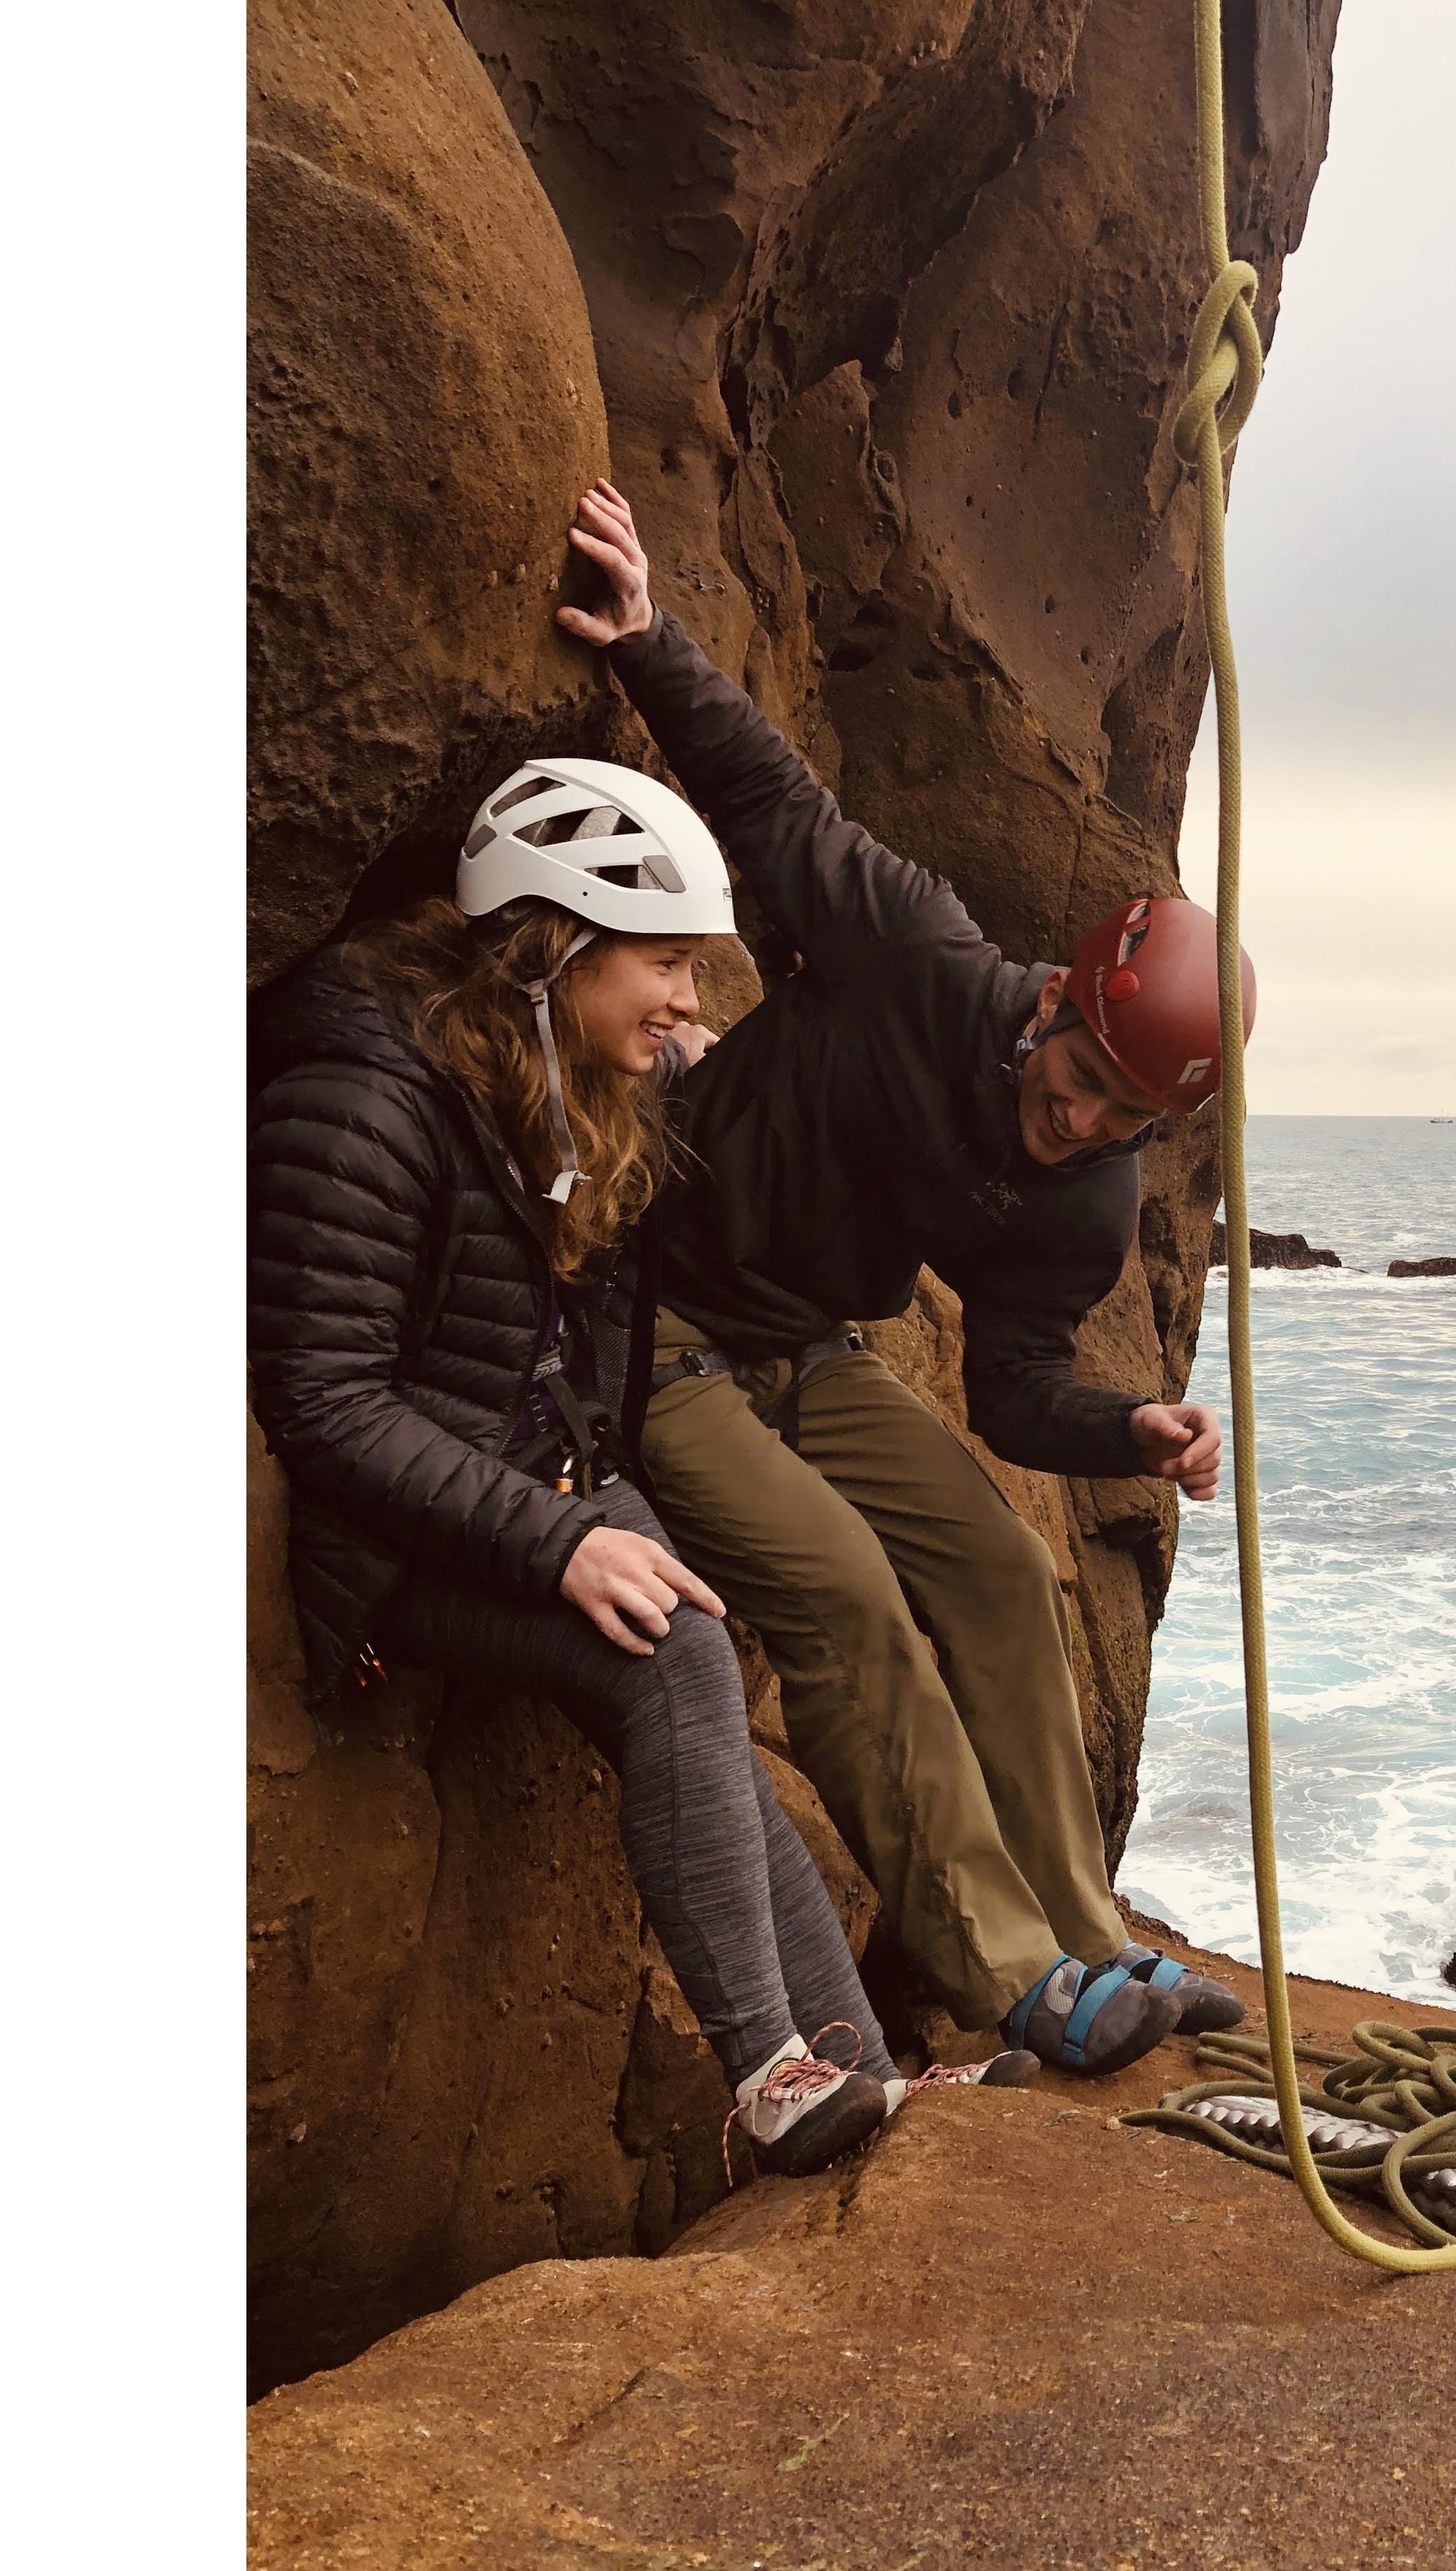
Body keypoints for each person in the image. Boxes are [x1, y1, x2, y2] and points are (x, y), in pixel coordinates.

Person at [551, 479, 1250, 2078]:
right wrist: (650, 639)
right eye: (1071, 1071)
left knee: (1002, 1568)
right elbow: (774, 804)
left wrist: (1124, 1426)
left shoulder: (1088, 1195)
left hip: (803, 1348)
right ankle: (1015, 1976)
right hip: (658, 1326)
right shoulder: (917, 955)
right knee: (850, 1598)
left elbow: (1009, 1385)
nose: (1068, 1116)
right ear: (1057, 995)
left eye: (1114, 1114)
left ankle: (1089, 1929)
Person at [248, 757, 1030, 2178]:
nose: (689, 1001)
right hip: (391, 1540)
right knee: (675, 1659)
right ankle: (772, 2079)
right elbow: (321, 1401)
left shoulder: (549, 1083)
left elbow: (576, 1322)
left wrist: (593, 1502)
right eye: (665, 965)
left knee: (701, 1674)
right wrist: (558, 1541)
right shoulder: (365, 1098)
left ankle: (856, 2071)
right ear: (554, 948)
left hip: (522, 1483)